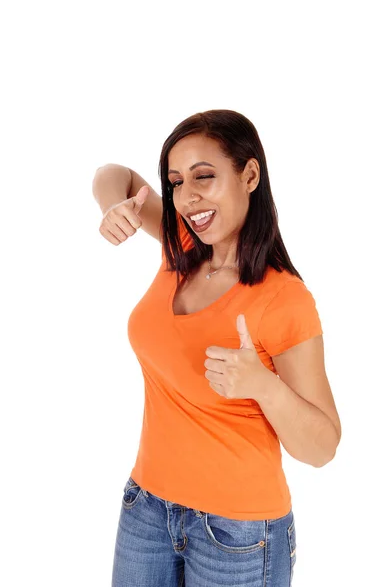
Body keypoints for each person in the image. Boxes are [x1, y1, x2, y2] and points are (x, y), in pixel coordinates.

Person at [92, 109, 342, 587]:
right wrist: (112, 207)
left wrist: (263, 385)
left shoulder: (283, 298)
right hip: (146, 509)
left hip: (238, 533)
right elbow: (114, 175)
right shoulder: (182, 247)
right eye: (176, 181)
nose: (187, 197)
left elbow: (323, 447)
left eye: (205, 177)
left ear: (249, 175)